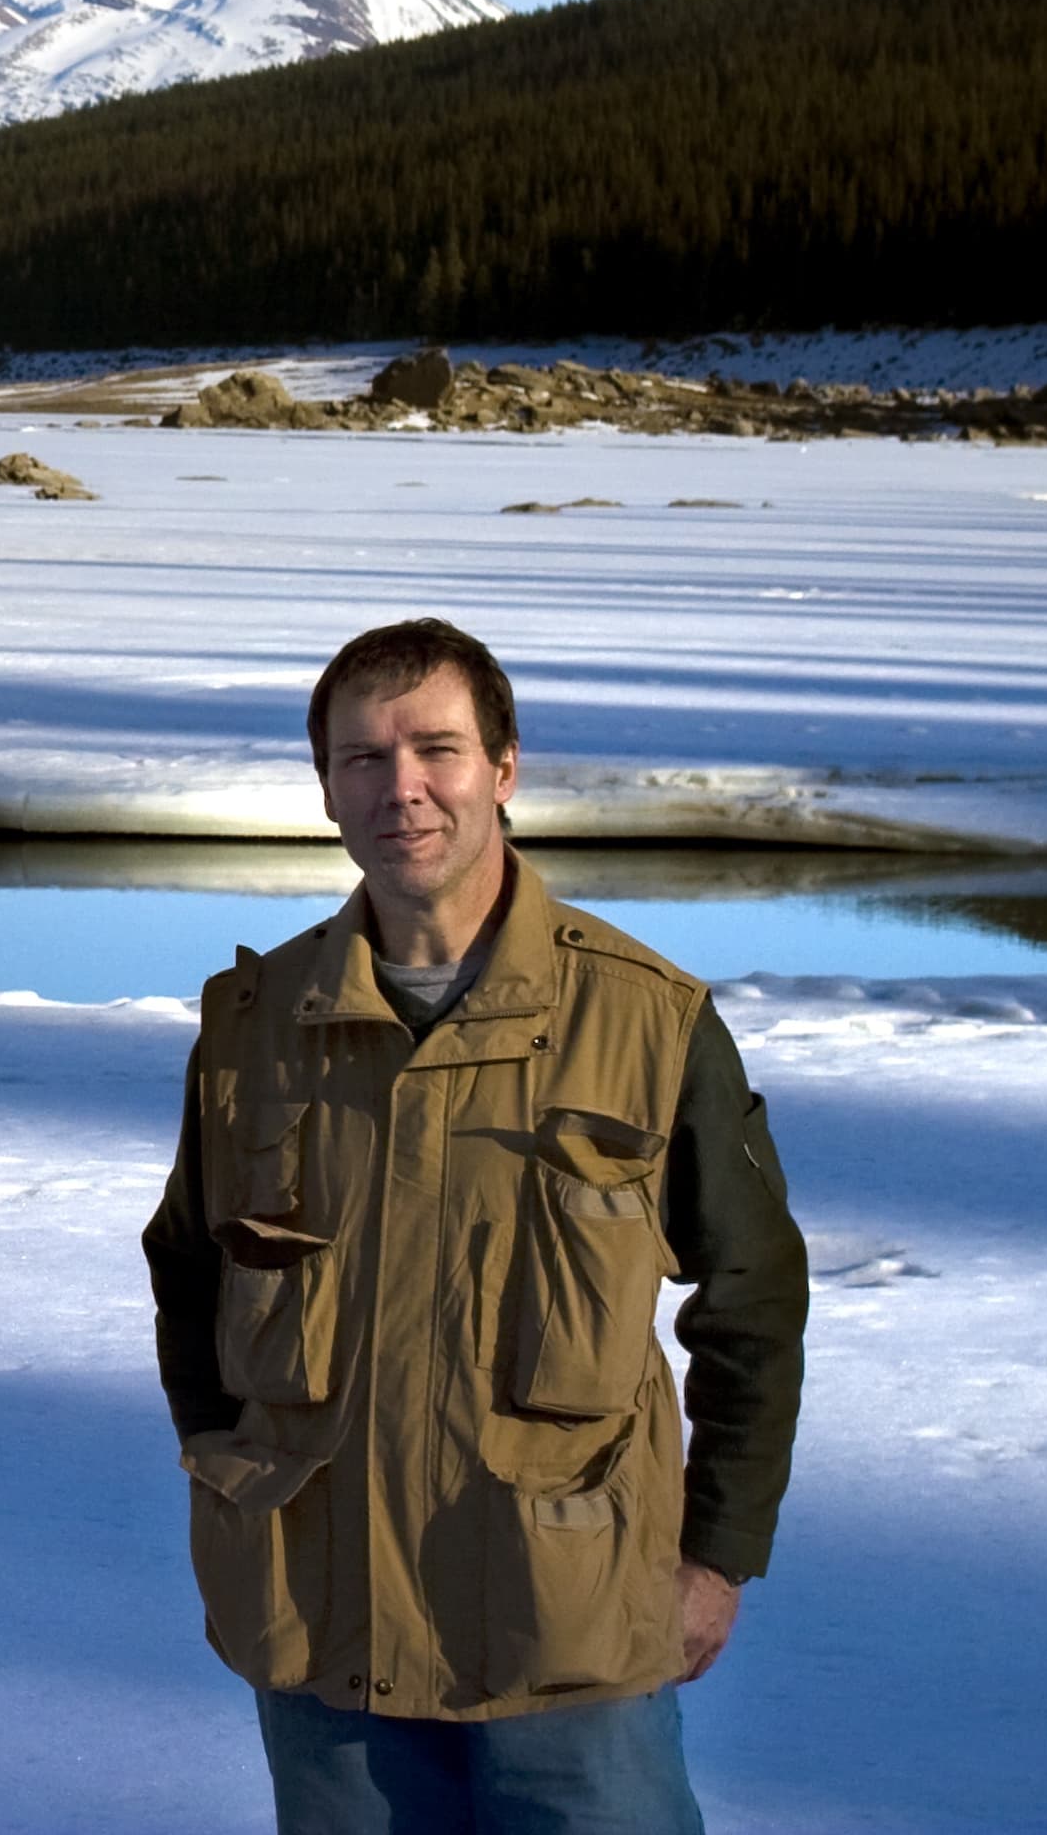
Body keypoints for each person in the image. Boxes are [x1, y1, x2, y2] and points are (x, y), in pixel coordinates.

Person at [141, 618, 808, 1835]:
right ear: (325, 785)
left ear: (504, 765)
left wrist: (718, 1556)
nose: (402, 788)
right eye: (363, 758)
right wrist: (229, 1474)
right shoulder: (253, 1025)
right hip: (326, 1626)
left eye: (436, 749)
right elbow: (189, 1268)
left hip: (569, 1635)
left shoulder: (647, 1022)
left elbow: (754, 1295)